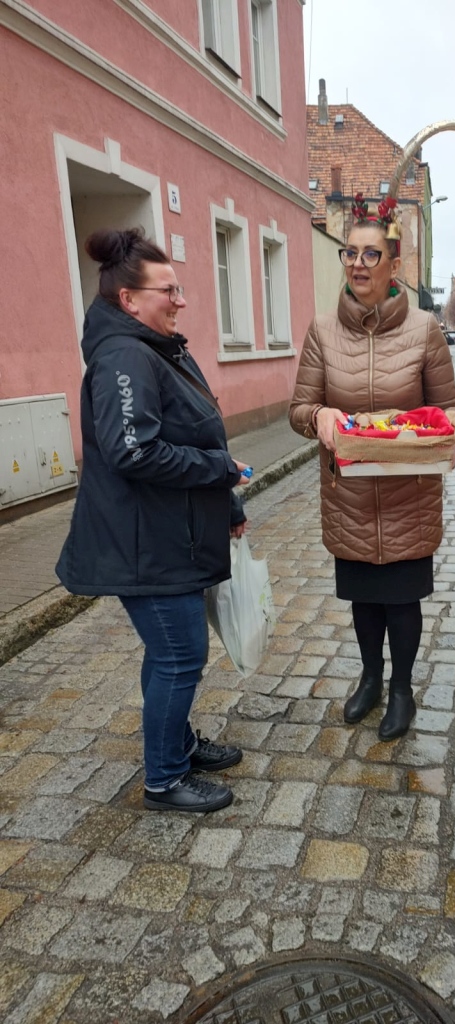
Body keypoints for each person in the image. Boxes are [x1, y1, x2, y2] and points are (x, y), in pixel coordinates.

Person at [56, 228, 250, 813]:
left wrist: (228, 501)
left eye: (179, 287)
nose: (180, 299)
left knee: (168, 653)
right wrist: (219, 471)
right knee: (179, 654)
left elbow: (192, 430)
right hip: (143, 544)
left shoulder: (156, 346)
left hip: (172, 534)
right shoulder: (123, 356)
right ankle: (165, 779)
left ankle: (178, 744)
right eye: (168, 290)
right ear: (129, 300)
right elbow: (132, 451)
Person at [289, 194, 455, 740]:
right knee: (364, 597)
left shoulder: (425, 331)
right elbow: (298, 409)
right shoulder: (322, 332)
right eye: (349, 254)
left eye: (370, 255)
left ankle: (403, 690)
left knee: (402, 599)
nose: (357, 265)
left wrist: (445, 428)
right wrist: (317, 415)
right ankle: (369, 678)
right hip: (351, 494)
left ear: (393, 266)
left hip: (408, 489)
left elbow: (449, 409)